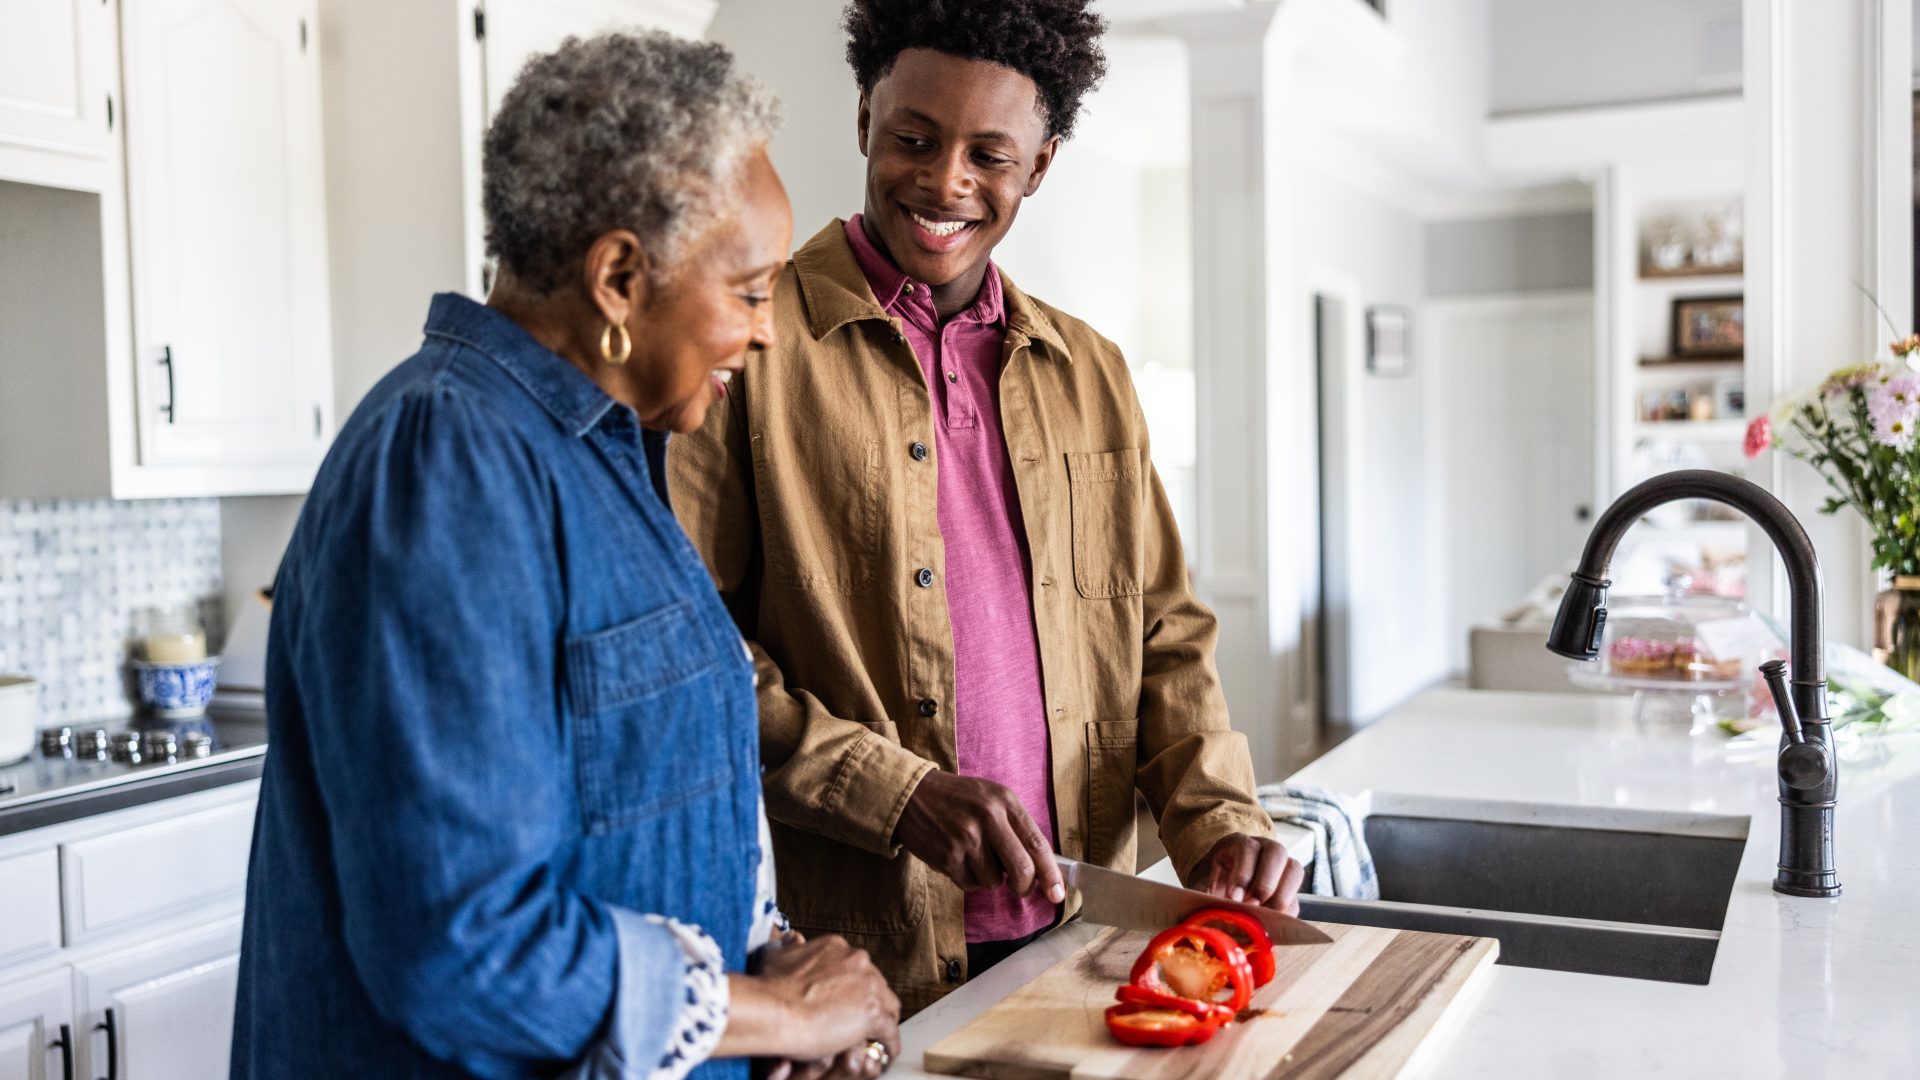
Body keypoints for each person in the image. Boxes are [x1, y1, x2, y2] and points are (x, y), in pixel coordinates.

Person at [232, 32, 899, 1080]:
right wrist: (773, 1014)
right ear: (621, 278)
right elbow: (459, 941)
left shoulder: (608, 455)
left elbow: (631, 804)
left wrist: (769, 967)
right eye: (751, 289)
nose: (765, 332)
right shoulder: (444, 466)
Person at [668, 0, 1305, 1017]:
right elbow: (692, 663)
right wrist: (897, 791)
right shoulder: (748, 344)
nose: (945, 181)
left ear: (1042, 164)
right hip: (856, 962)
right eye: (914, 138)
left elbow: (1166, 635)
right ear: (864, 116)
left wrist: (1220, 817)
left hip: (1084, 946)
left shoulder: (1090, 370)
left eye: (990, 156)